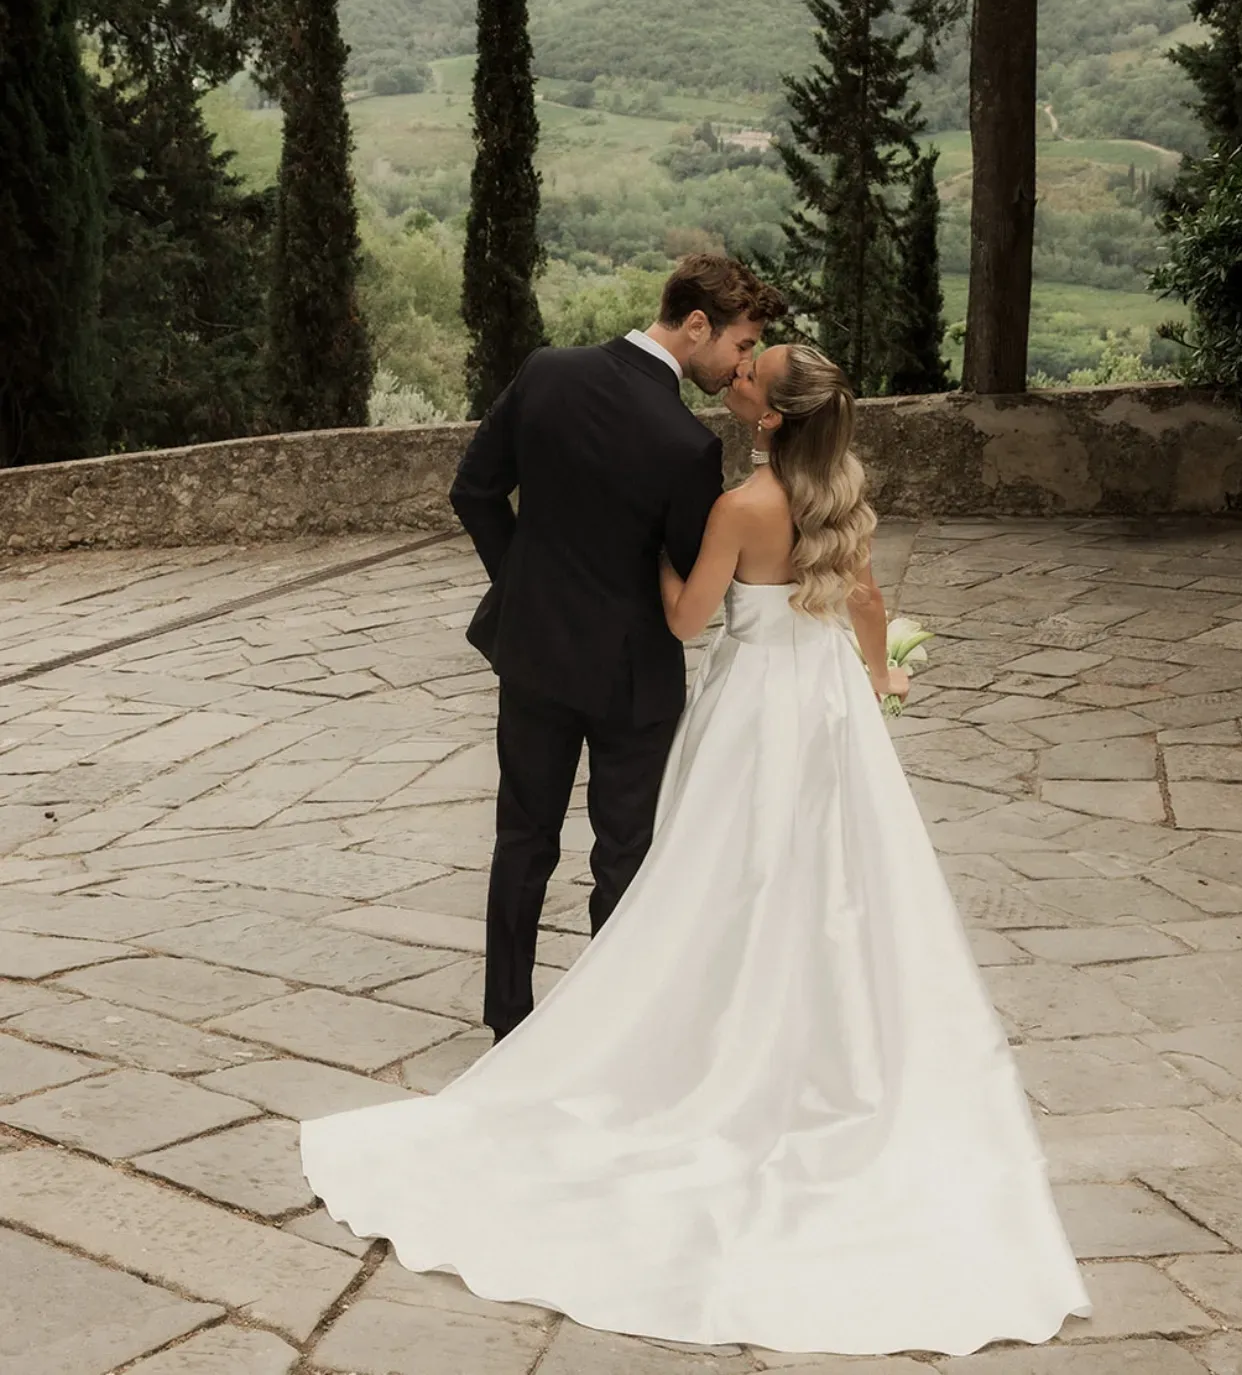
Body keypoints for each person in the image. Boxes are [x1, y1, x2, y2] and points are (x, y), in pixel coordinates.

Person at [302, 342, 1091, 1358]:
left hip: (754, 710)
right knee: (842, 880)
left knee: (722, 874)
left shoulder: (740, 509)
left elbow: (684, 620)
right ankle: (832, 1044)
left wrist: (646, 550)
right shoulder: (844, 496)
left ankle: (713, 1033)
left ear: (770, 420)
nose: (739, 375)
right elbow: (866, 602)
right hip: (830, 708)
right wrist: (878, 678)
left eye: (755, 374)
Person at [448, 252, 785, 1041]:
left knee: (522, 839)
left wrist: (523, 589)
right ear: (696, 324)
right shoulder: (686, 445)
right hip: (632, 677)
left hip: (533, 655)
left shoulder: (546, 372)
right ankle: (609, 1034)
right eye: (741, 343)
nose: (741, 364)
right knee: (624, 856)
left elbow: (474, 490)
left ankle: (507, 1024)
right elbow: (689, 576)